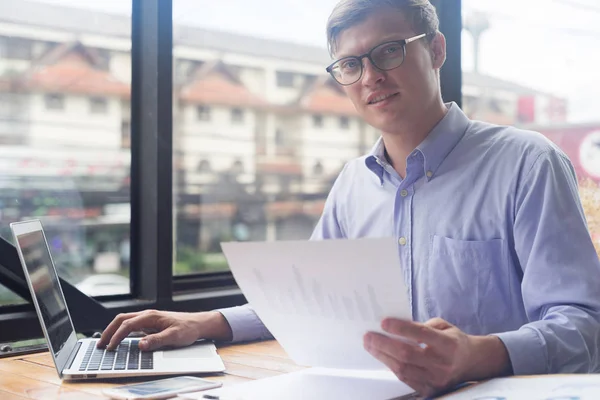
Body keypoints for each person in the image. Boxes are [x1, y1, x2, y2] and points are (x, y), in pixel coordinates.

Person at [97, 0, 600, 396]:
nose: (371, 77)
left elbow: (584, 325)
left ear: (438, 50)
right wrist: (209, 322)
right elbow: (308, 302)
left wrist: (479, 353)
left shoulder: (527, 163)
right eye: (350, 64)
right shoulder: (352, 184)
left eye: (389, 51)